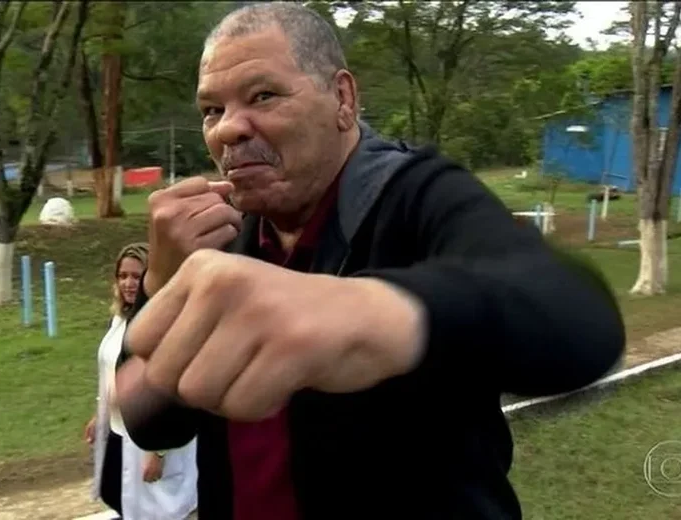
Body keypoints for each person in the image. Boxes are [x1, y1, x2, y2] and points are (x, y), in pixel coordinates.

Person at [113, 3, 626, 519]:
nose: (227, 130)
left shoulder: (416, 194)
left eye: (262, 96)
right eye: (211, 110)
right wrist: (162, 281)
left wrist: (368, 313)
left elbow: (577, 320)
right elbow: (153, 425)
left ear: (342, 98)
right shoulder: (222, 239)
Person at [86, 242, 198, 520]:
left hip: (152, 437)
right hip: (118, 431)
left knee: (158, 510)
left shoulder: (165, 324)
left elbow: (175, 391)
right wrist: (100, 413)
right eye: (122, 276)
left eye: (137, 276)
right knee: (118, 497)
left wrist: (158, 452)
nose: (128, 283)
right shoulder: (119, 320)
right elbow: (113, 370)